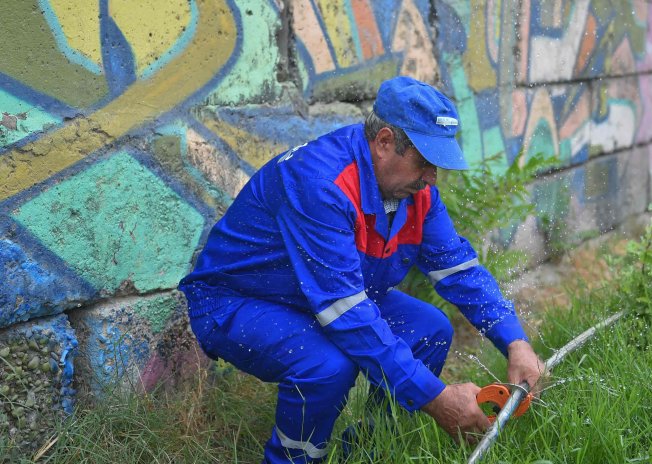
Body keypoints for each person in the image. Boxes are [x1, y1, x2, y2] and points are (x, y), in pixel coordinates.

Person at [178, 76, 544, 463]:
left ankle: (368, 452)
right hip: (238, 301)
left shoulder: (414, 192)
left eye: (437, 165)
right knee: (325, 365)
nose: (432, 179)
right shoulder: (322, 184)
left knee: (430, 330)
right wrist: (436, 399)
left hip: (317, 297)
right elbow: (346, 313)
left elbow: (460, 272)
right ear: (384, 142)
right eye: (425, 162)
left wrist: (515, 342)